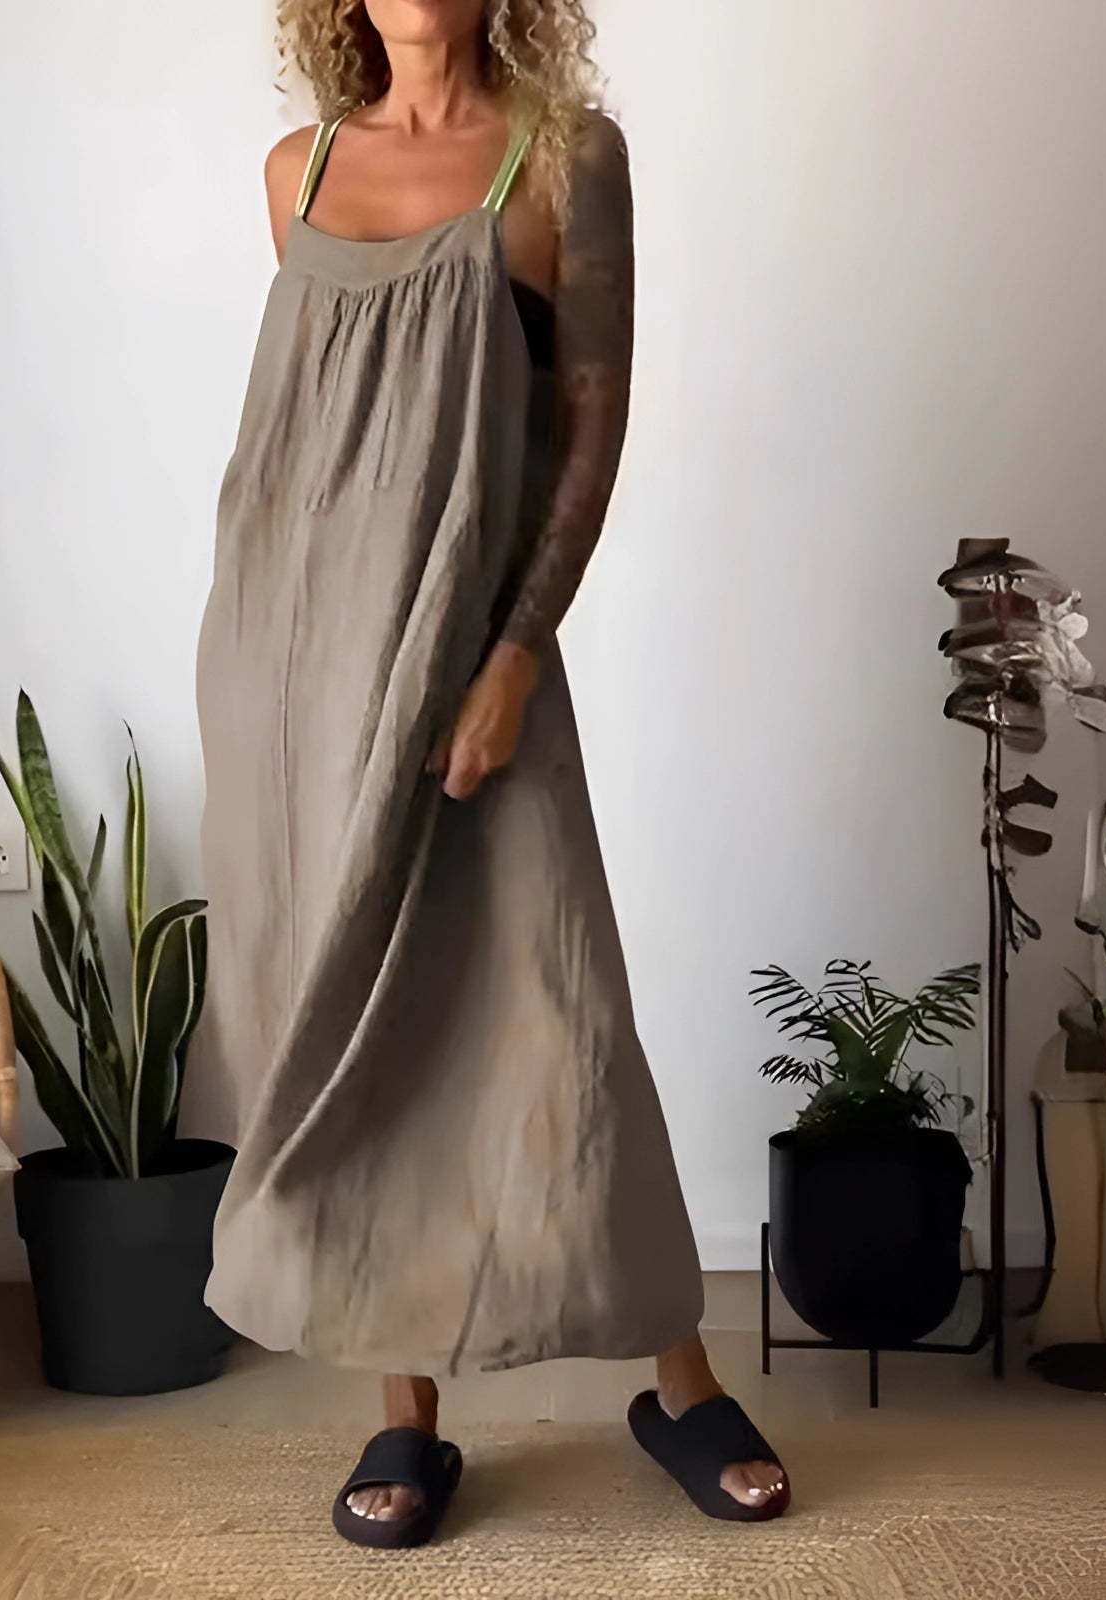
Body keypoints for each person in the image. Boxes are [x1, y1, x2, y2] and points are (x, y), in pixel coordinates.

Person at [188, 0, 789, 1548]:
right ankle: (406, 1416)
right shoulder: (297, 170)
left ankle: (681, 1382)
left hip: (468, 657)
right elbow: (321, 452)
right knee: (351, 1017)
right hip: (288, 668)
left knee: (557, 1005)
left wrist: (516, 654)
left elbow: (590, 426)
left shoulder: (566, 158)